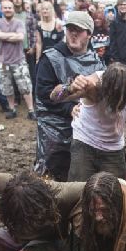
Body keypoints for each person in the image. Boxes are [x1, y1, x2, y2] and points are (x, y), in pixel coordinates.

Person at [51, 61, 126, 181]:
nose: (118, 105)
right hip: (85, 141)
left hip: (114, 146)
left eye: (123, 99)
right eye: (114, 98)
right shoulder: (92, 86)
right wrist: (69, 87)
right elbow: (55, 97)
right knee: (79, 190)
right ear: (104, 87)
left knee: (117, 193)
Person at [34, 10, 104, 180]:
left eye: (78, 30)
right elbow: (43, 95)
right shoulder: (50, 58)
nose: (73, 34)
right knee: (53, 174)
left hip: (86, 128)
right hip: (55, 127)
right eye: (69, 29)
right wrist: (70, 107)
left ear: (89, 34)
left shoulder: (96, 61)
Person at [0, 0, 34, 120]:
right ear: (1, 9)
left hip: (19, 60)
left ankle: (31, 110)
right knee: (7, 86)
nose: (7, 10)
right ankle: (12, 109)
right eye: (5, 8)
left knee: (25, 86)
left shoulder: (19, 22)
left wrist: (3, 36)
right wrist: (12, 35)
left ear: (13, 9)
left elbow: (20, 37)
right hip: (3, 61)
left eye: (9, 8)